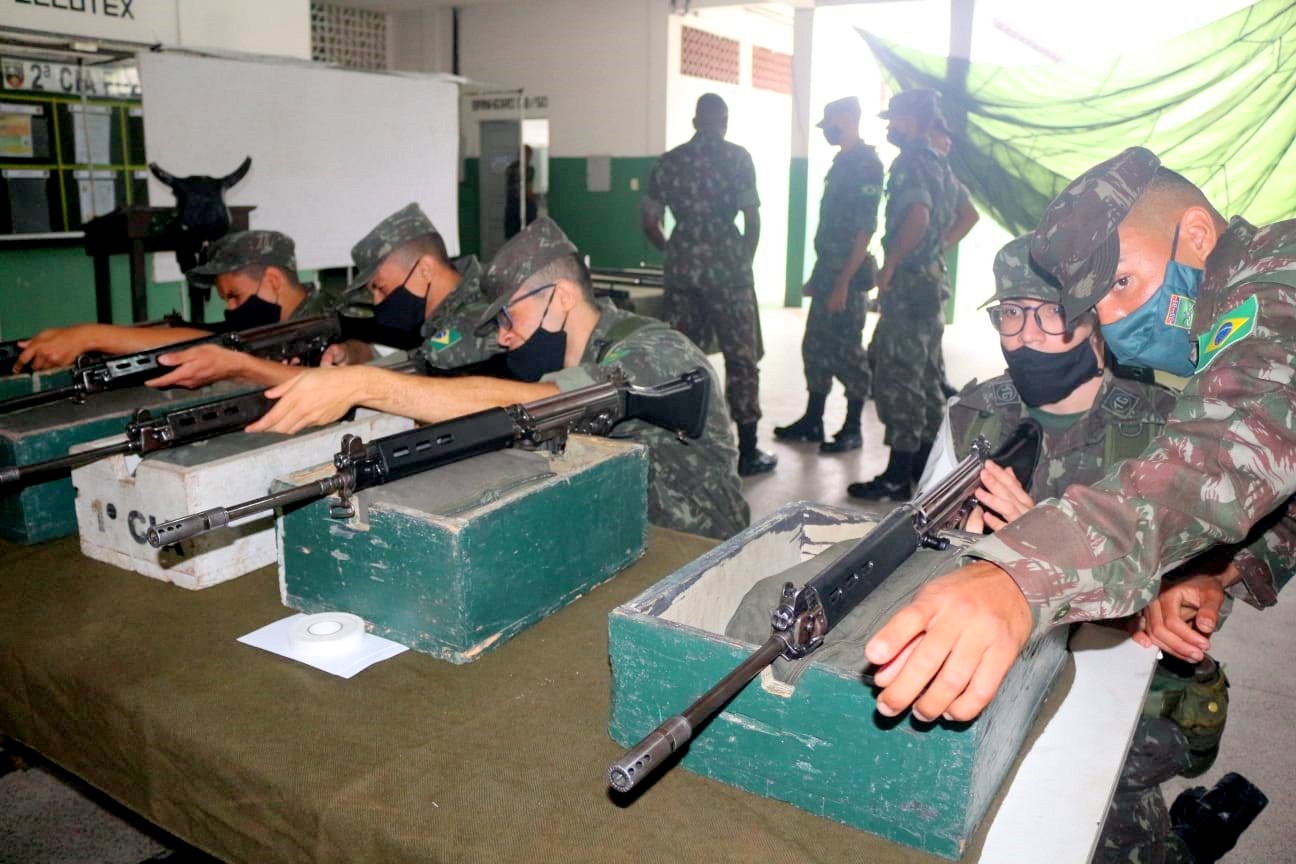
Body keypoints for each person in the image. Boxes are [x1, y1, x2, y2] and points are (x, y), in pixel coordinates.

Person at [862, 147, 1295, 736]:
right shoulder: (980, 409)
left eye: (1122, 281)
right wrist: (1214, 571)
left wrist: (1018, 575)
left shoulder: (1278, 288)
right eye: (1096, 304)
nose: (1115, 323)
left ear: (1196, 234)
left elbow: (1222, 454)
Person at [920, 236, 1233, 864]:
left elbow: (1193, 603)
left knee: (1098, 818)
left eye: (1051, 312)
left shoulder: (1163, 425)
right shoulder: (973, 414)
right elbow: (922, 543)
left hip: (1125, 668)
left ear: (1095, 320)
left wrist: (1043, 541)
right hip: (998, 650)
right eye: (1010, 313)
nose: (1026, 334)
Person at [239, 217, 751, 541]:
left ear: (562, 298)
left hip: (696, 550)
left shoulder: (652, 350)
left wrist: (365, 386)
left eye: (509, 318)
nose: (504, 337)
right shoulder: (571, 351)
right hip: (624, 539)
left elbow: (543, 403)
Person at [145, 203, 500, 391]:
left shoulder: (476, 315)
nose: (377, 302)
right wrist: (356, 352)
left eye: (381, 288)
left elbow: (414, 371)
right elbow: (404, 353)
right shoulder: (444, 314)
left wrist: (243, 368)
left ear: (424, 270)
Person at [848, 89, 977, 501]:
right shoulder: (941, 165)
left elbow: (918, 217)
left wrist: (891, 264)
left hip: (907, 290)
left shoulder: (910, 164)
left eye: (895, 119)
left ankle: (896, 476)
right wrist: (937, 250)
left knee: (900, 378)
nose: (889, 127)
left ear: (915, 119)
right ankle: (924, 472)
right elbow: (968, 215)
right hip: (930, 289)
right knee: (924, 378)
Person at [641, 93, 776, 477]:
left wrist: (675, 252)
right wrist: (741, 260)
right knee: (741, 358)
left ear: (695, 120)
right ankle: (748, 450)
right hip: (729, 269)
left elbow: (649, 222)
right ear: (724, 121)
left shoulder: (669, 162)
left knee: (683, 357)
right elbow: (752, 219)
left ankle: (683, 445)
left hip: (683, 269)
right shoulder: (738, 158)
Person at [12, 230, 334, 371]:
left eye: (235, 296)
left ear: (274, 281)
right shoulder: (279, 321)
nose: (231, 309)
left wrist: (91, 336)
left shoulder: (326, 323)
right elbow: (213, 337)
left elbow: (218, 344)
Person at [774, 97, 883, 454]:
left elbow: (864, 231)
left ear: (850, 119)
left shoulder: (866, 164)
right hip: (829, 275)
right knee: (815, 348)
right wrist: (819, 278)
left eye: (831, 123)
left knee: (848, 352)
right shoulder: (841, 163)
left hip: (847, 280)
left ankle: (852, 428)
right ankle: (813, 419)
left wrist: (842, 284)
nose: (827, 131)